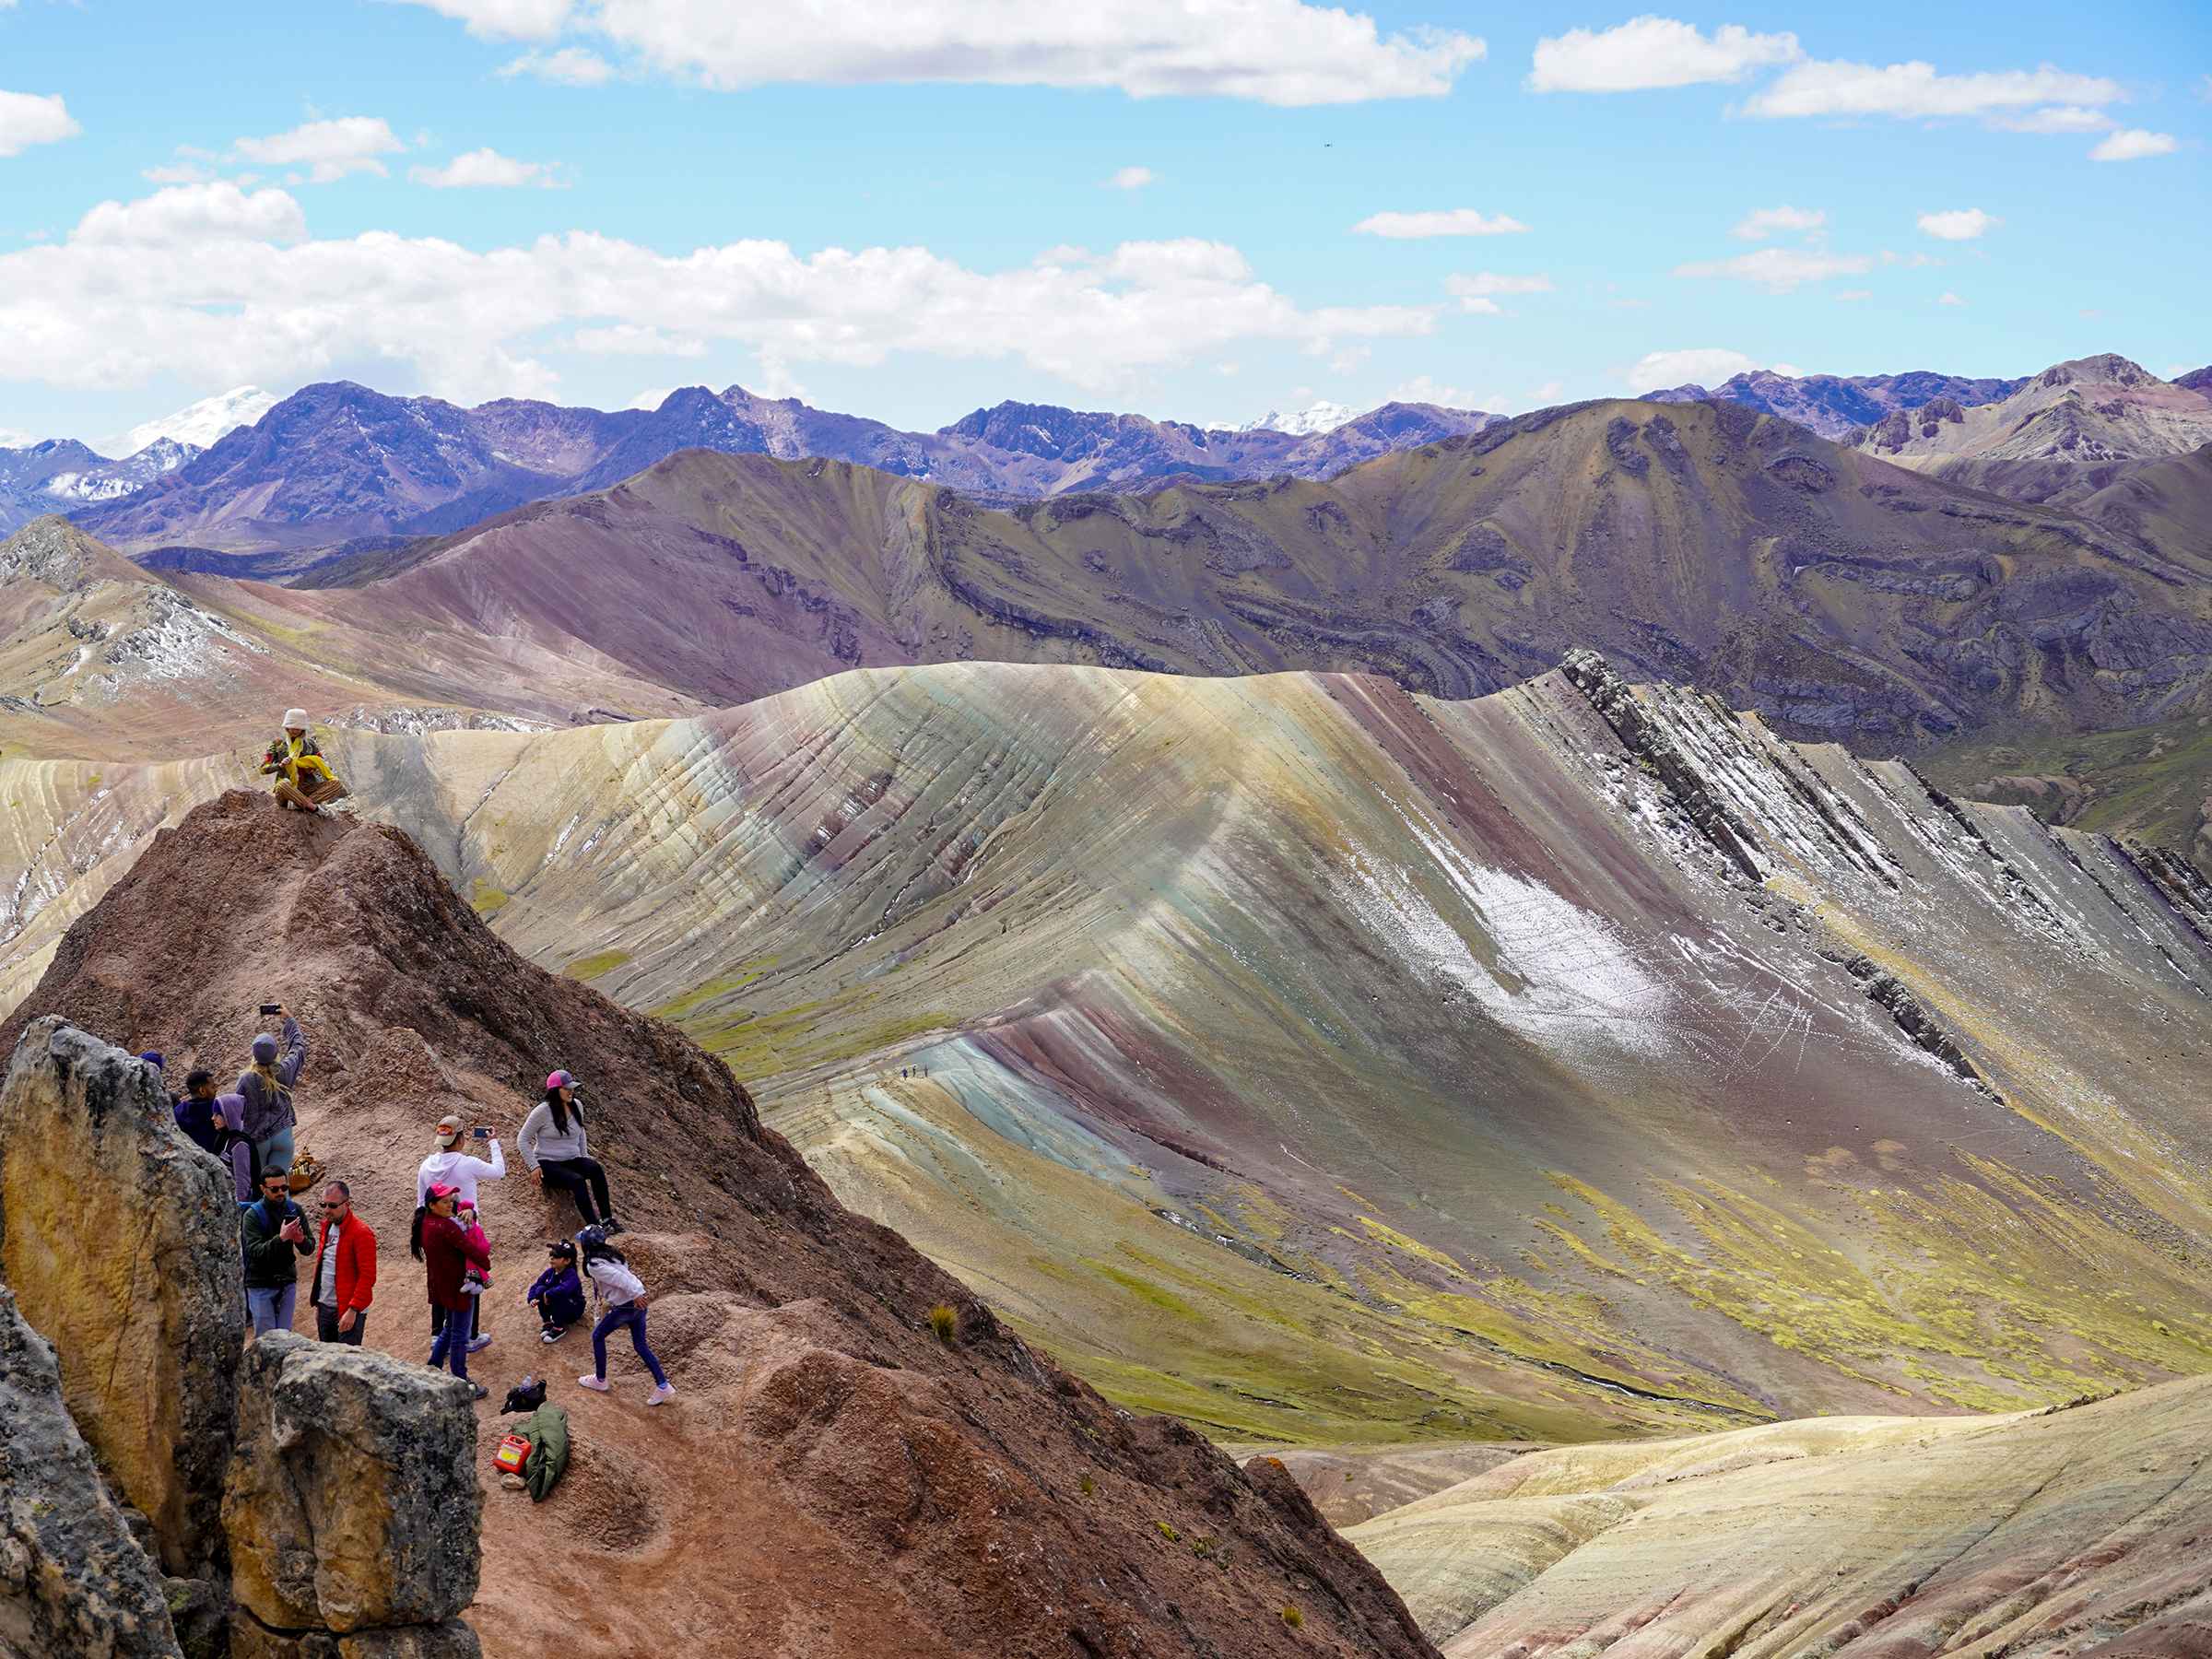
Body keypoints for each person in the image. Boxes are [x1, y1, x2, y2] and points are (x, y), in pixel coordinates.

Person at [576, 1226, 672, 1405]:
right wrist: (638, 1293)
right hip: (637, 1304)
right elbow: (625, 1275)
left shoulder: (594, 1264)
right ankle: (663, 1385)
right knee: (640, 1346)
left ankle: (600, 1380)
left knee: (597, 1336)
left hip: (626, 1306)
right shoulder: (611, 1255)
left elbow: (620, 1279)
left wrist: (635, 1293)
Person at [413, 1183, 488, 1399]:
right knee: (460, 1335)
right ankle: (461, 1381)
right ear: (432, 1205)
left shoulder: (428, 1223)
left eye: (451, 1200)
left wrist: (469, 1211)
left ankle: (434, 1366)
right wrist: (486, 1261)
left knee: (450, 1328)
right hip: (459, 1286)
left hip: (444, 1286)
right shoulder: (446, 1227)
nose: (450, 1205)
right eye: (445, 1202)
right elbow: (471, 1249)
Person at [518, 1072, 616, 1230]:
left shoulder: (577, 1105)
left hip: (571, 1159)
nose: (571, 1092)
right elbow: (522, 1139)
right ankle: (593, 1226)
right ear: (555, 1091)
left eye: (572, 1088)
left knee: (595, 1169)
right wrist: (533, 1166)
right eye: (566, 1089)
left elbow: (581, 1131)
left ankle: (607, 1219)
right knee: (577, 1180)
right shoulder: (542, 1111)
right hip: (548, 1162)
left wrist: (584, 1157)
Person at [241, 1165, 314, 1339]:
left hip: (286, 1283)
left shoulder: (294, 1210)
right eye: (274, 1189)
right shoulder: (252, 1215)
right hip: (260, 1285)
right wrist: (281, 1238)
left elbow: (309, 1247)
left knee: (284, 1339)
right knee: (267, 1341)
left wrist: (299, 1240)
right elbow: (254, 1251)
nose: (280, 1192)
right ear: (262, 1189)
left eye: (284, 1188)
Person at [237, 1006, 306, 1173]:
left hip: (257, 1139)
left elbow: (238, 1109)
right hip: (283, 1134)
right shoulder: (285, 1070)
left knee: (262, 1186)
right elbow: (298, 1048)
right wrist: (289, 1020)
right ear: (276, 1052)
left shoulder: (246, 1079)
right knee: (281, 1185)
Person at [309, 1180, 376, 1346]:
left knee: (348, 1365)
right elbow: (325, 1265)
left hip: (348, 1309)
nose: (326, 1210)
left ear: (347, 1204)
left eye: (332, 1206)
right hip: (325, 1307)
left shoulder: (361, 1233)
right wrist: (319, 1304)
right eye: (323, 1205)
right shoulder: (327, 1227)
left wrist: (353, 1310)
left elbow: (368, 1276)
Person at [261, 710, 348, 814]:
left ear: (303, 729)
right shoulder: (277, 744)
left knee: (336, 784)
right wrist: (280, 765)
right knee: (282, 784)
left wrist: (311, 768)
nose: (295, 730)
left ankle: (301, 803)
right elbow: (263, 769)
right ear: (287, 727)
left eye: (298, 728)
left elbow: (322, 764)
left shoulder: (310, 745)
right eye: (292, 727)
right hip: (287, 790)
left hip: (308, 788)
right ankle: (314, 808)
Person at [416, 1113, 506, 1212]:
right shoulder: (469, 1164)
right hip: (465, 1226)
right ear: (460, 1139)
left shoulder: (425, 1165)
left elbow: (421, 1204)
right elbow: (499, 1172)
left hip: (438, 1226)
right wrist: (493, 1142)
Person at [526, 1239, 586, 1343]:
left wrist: (548, 1294)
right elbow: (537, 1285)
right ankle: (548, 1323)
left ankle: (559, 1328)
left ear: (567, 1261)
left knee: (556, 1294)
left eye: (556, 1256)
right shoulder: (550, 1272)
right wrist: (532, 1298)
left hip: (573, 1310)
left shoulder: (571, 1275)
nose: (552, 1258)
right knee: (540, 1289)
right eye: (551, 1254)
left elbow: (564, 1290)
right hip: (556, 1307)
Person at [455, 1201, 494, 1354]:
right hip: (461, 1264)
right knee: (465, 1305)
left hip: (460, 1264)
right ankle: (467, 1338)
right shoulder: (452, 1219)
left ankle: (461, 1337)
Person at [209, 1093, 259, 1201]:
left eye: (218, 1114)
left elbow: (242, 1183)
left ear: (229, 1115)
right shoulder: (224, 1139)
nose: (213, 1118)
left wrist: (237, 1209)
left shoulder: (239, 1145)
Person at [172, 1069, 225, 1158]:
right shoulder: (217, 1108)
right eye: (212, 1087)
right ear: (202, 1091)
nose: (216, 1090)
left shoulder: (178, 1112)